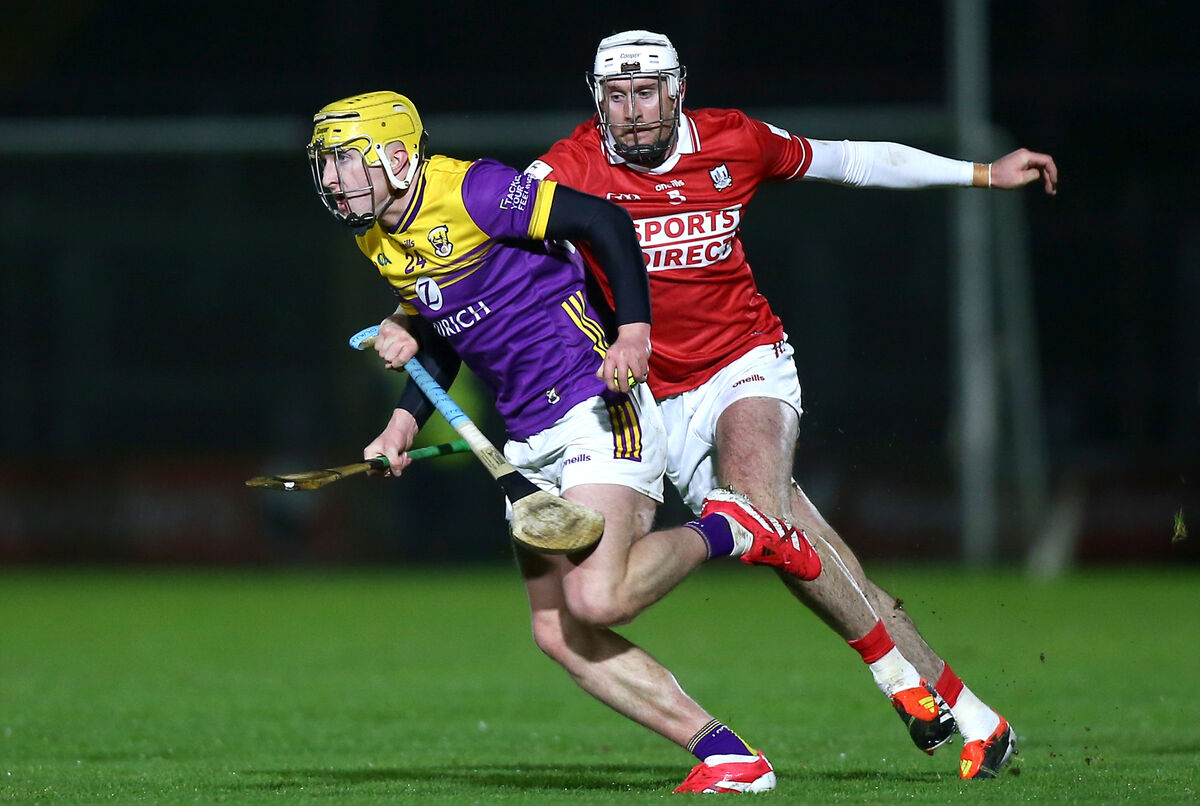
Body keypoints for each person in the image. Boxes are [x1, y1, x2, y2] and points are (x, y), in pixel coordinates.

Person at [306, 90, 942, 794]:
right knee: (561, 636)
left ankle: (733, 527)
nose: (332, 178)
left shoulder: (477, 188)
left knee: (600, 602)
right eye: (326, 164)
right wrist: (403, 418)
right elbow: (448, 326)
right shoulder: (376, 236)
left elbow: (604, 221)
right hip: (528, 437)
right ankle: (729, 756)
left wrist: (634, 332)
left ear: (397, 158)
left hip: (595, 408)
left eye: (344, 161)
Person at [527, 30, 1059, 781]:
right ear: (598, 100)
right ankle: (972, 713)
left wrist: (980, 173)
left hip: (746, 363)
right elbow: (481, 237)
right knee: (806, 547)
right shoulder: (568, 167)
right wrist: (416, 318)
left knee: (757, 503)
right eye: (617, 96)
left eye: (646, 92)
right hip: (651, 404)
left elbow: (854, 160)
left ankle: (895, 680)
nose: (633, 111)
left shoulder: (732, 139)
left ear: (676, 89)